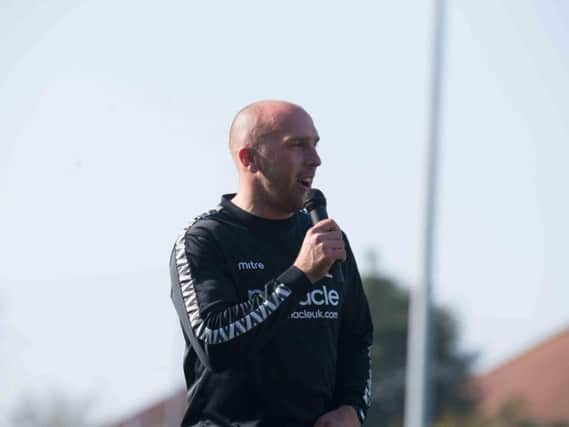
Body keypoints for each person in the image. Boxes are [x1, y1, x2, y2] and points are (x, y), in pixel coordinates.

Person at [170, 100, 373, 427]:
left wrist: (352, 409)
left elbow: (356, 341)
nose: (315, 159)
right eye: (297, 146)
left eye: (315, 145)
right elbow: (215, 342)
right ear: (249, 159)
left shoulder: (327, 239)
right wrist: (300, 276)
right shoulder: (204, 240)